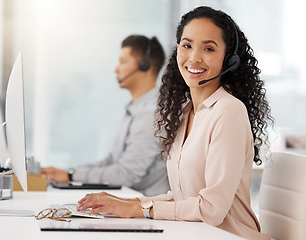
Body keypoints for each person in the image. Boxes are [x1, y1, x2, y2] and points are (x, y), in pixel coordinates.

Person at [76, 6, 274, 240]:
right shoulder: (185, 112)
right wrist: (127, 203)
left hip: (229, 236)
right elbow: (183, 199)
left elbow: (211, 209)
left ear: (229, 59)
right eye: (187, 45)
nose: (194, 57)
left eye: (209, 48)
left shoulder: (228, 111)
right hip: (196, 233)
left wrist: (138, 210)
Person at [42, 35, 170, 196]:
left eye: (123, 62)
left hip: (145, 207)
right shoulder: (135, 109)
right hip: (128, 200)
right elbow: (112, 161)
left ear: (144, 66)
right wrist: (70, 173)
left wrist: (71, 175)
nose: (116, 69)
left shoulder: (151, 114)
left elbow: (126, 174)